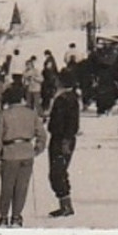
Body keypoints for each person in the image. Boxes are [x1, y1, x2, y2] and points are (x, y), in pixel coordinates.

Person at [0, 83, 46, 227]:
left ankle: (3, 216)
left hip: (10, 152)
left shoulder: (5, 114)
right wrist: (37, 149)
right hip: (27, 152)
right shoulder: (31, 113)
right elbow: (42, 134)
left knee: (7, 187)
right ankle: (16, 216)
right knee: (22, 186)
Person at [46, 79, 81, 218]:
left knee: (57, 172)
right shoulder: (72, 98)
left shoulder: (62, 99)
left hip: (60, 139)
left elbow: (60, 122)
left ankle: (66, 204)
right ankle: (65, 203)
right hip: (66, 138)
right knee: (59, 171)